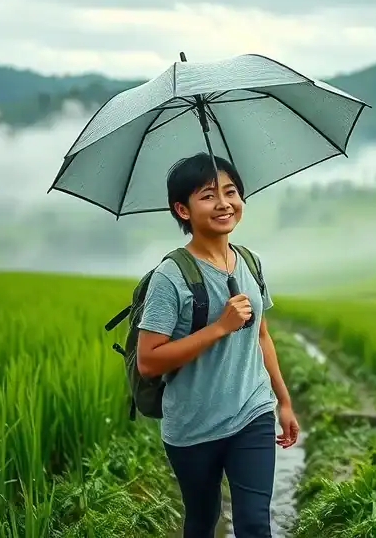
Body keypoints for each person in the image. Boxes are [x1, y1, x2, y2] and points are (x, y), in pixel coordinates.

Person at [135, 152, 299, 538]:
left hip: (252, 413)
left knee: (255, 524)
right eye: (208, 195)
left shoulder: (250, 262)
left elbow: (261, 335)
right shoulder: (170, 277)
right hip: (193, 424)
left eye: (231, 192)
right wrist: (219, 328)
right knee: (202, 521)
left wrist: (284, 401)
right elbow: (148, 362)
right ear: (183, 209)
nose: (224, 203)